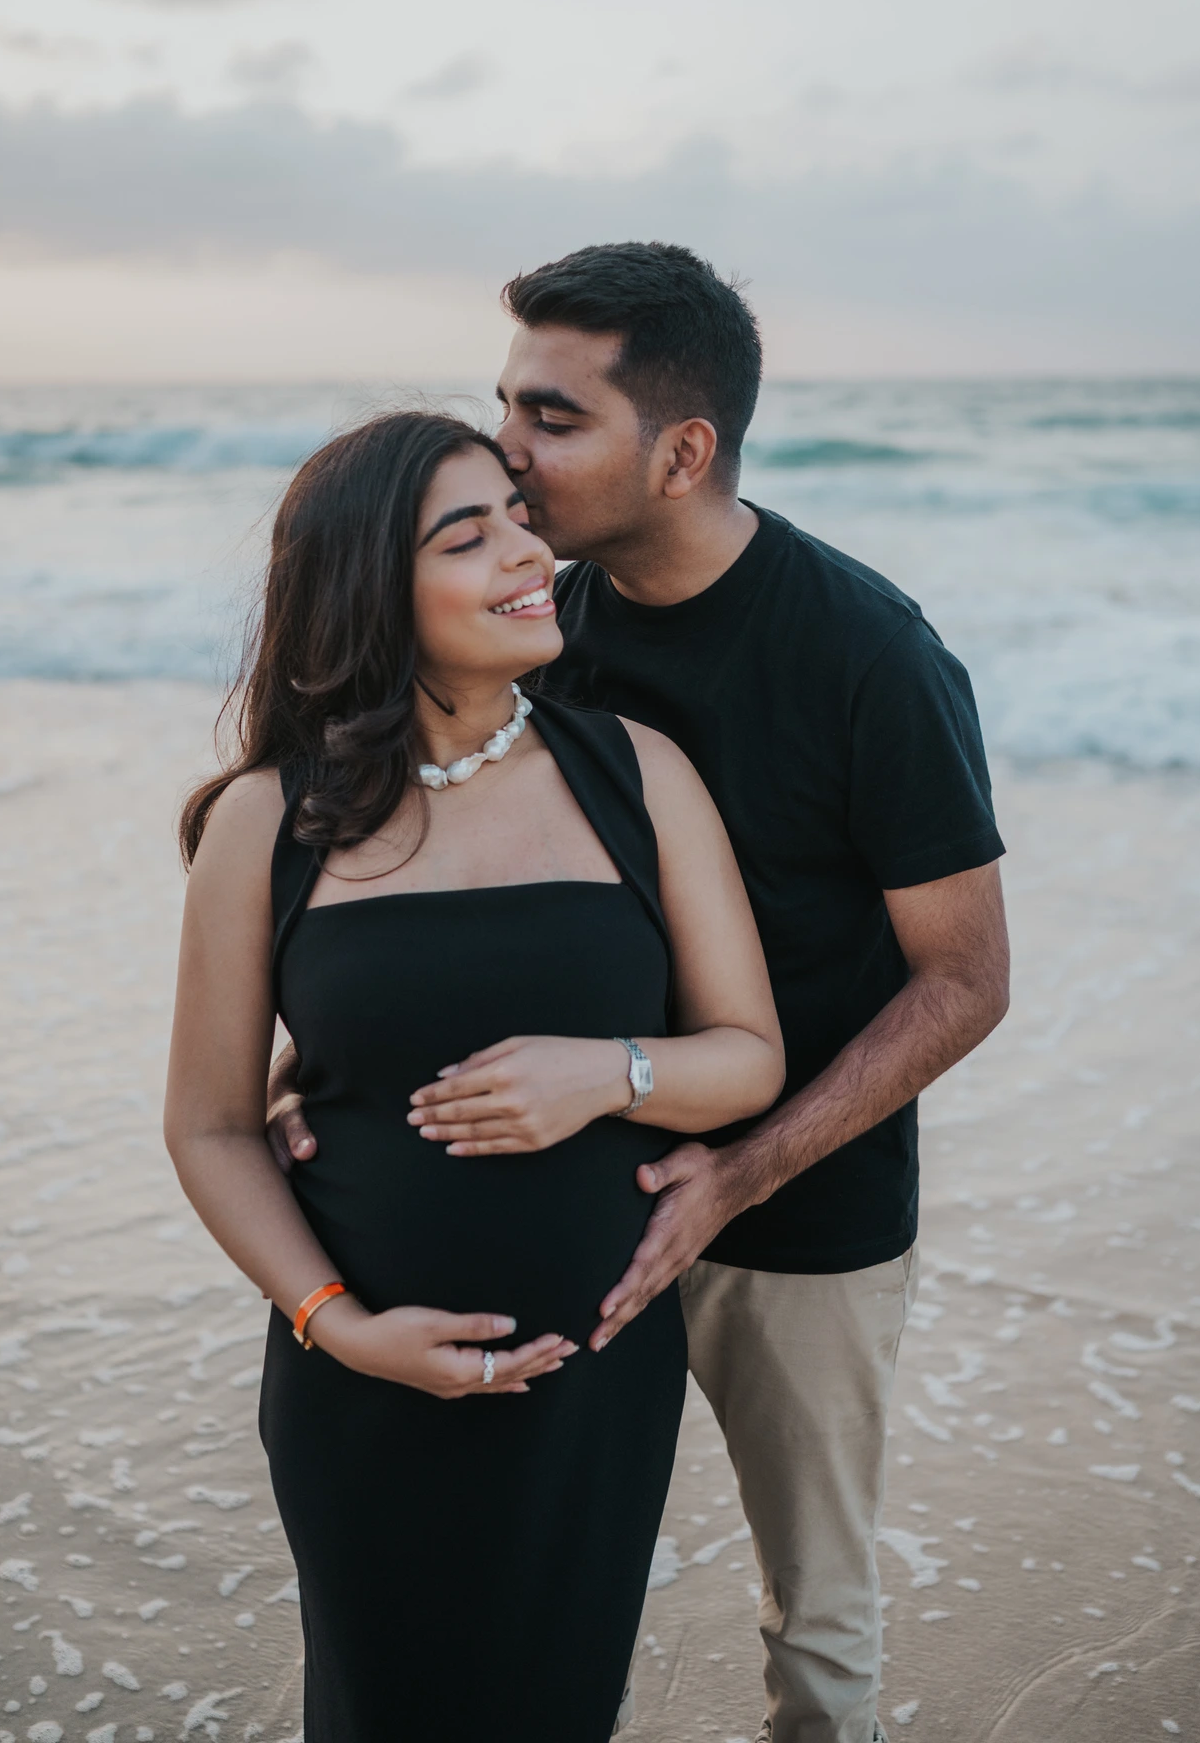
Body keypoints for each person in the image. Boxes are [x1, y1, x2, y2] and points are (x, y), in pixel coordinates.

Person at [268, 247, 1011, 1743]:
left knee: (818, 1617)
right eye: (504, 408)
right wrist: (328, 1059)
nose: (509, 460)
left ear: (680, 452)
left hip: (803, 1209)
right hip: (569, 1200)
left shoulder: (865, 653)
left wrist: (739, 1171)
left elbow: (965, 980)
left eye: (550, 419)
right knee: (500, 1605)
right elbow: (440, 858)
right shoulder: (541, 616)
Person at [164, 409, 784, 1743]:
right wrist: (340, 1325)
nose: (528, 551)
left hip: (589, 1393)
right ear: (370, 587)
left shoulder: (633, 773)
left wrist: (606, 1073)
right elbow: (212, 1126)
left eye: (517, 514)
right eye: (471, 533)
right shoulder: (266, 821)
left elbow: (746, 1058)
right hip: (361, 1389)